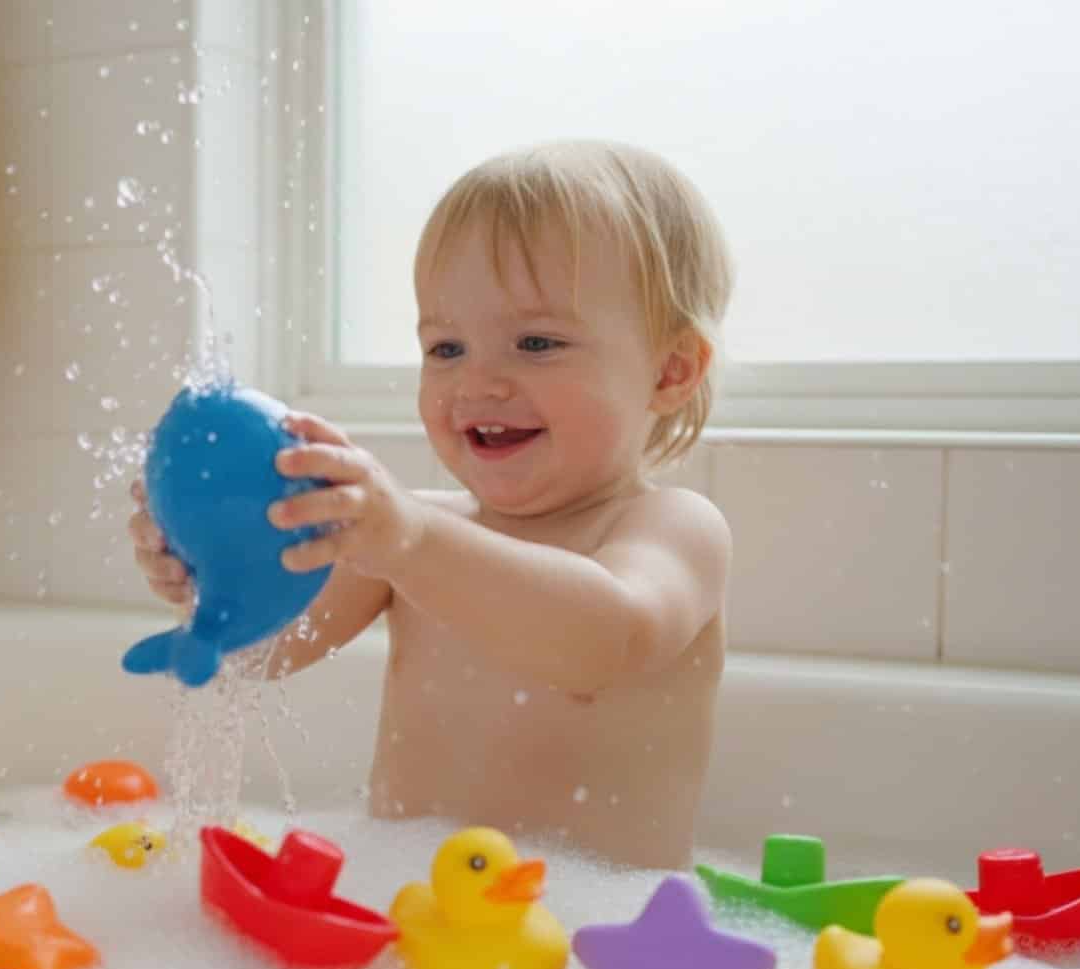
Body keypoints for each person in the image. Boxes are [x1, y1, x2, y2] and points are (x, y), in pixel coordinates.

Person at [130, 141, 733, 867]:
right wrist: (210, 582)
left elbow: (609, 643)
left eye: (536, 342)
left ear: (670, 372)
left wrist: (412, 542)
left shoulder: (671, 528)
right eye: (446, 348)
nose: (477, 382)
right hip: (410, 909)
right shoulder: (414, 539)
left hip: (595, 927)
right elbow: (263, 654)